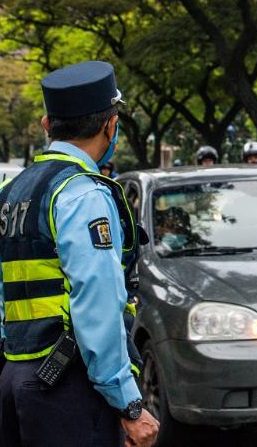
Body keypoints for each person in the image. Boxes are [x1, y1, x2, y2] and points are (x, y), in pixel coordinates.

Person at [0, 60, 159, 446]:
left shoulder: (14, 192)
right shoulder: (82, 193)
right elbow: (97, 303)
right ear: (110, 125)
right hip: (68, 384)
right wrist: (128, 404)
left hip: (14, 378)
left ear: (46, 125)